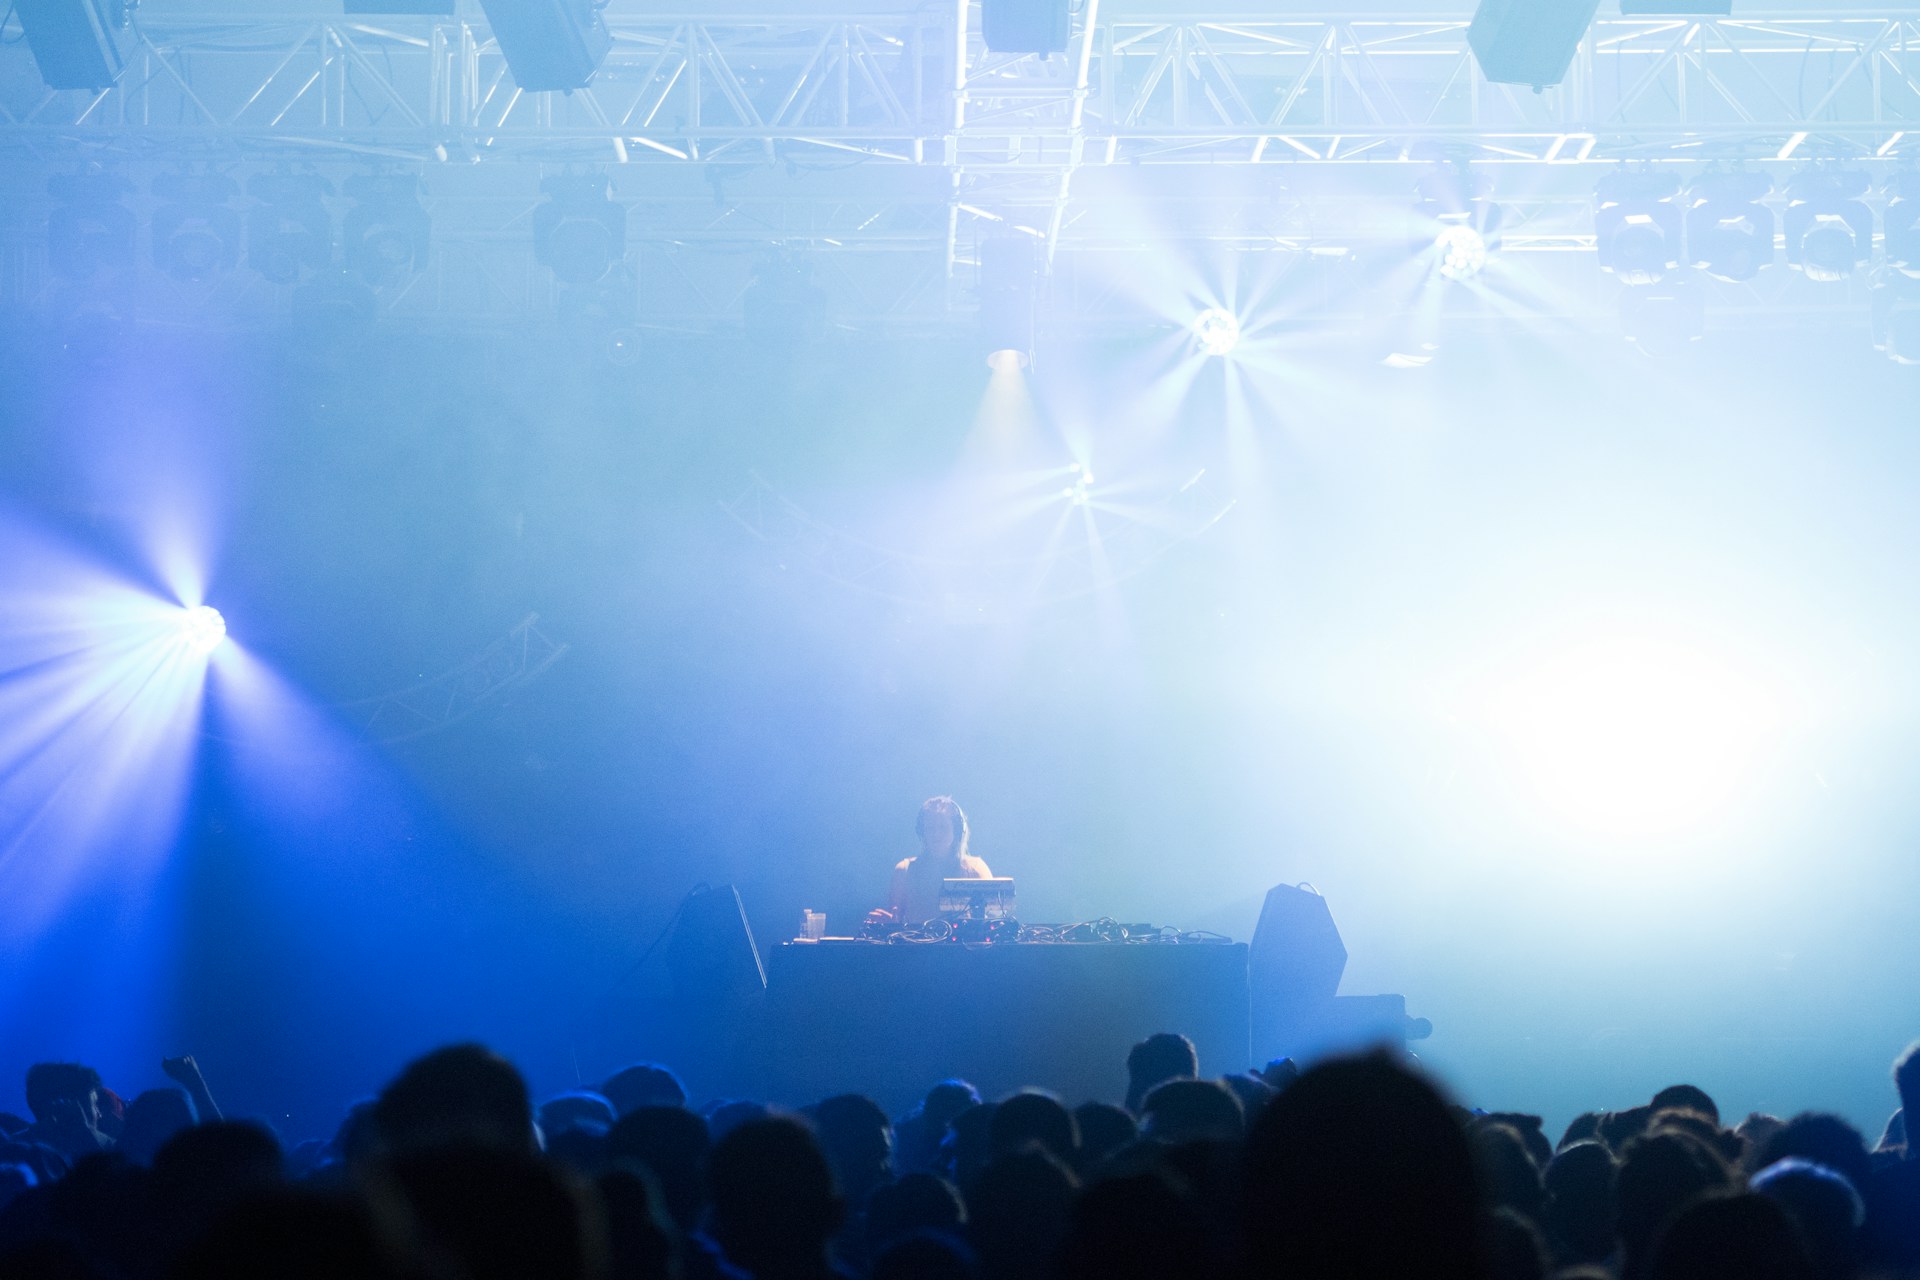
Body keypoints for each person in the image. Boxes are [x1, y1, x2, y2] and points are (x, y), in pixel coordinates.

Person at [869, 797, 992, 928]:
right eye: (930, 828)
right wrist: (889, 924)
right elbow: (895, 921)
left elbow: (993, 919)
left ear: (957, 831)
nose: (936, 834)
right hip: (916, 947)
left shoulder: (975, 868)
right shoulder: (904, 870)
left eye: (943, 827)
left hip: (963, 948)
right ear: (922, 832)